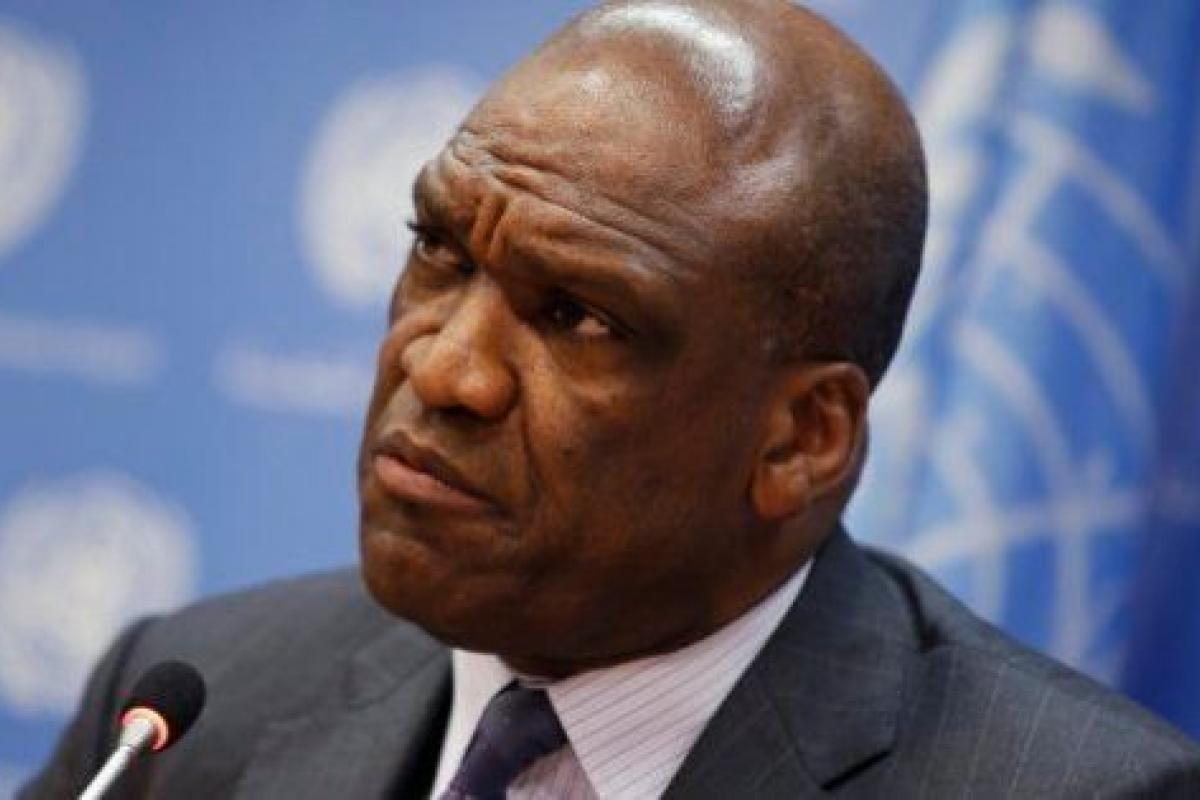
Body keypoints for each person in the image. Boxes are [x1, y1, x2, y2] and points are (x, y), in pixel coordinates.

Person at [23, 1, 1200, 797]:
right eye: (439, 250)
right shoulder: (184, 710)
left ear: (801, 437)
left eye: (581, 315)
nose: (445, 369)